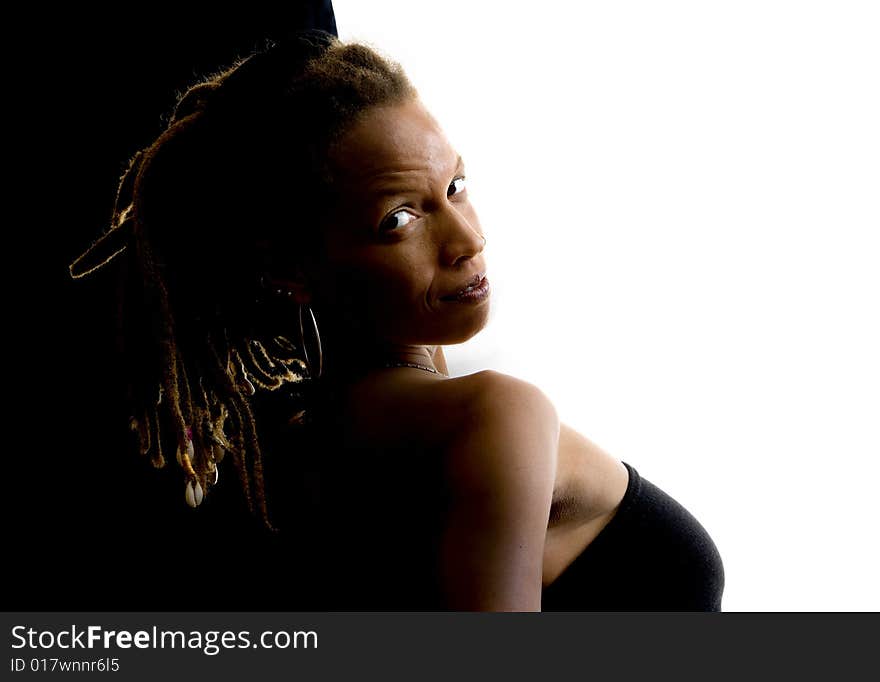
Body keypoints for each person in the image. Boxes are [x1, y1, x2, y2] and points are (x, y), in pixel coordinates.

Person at [69, 28, 724, 611]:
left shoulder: (305, 447)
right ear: (289, 270)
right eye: (399, 219)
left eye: (456, 187)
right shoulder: (496, 417)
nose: (468, 239)